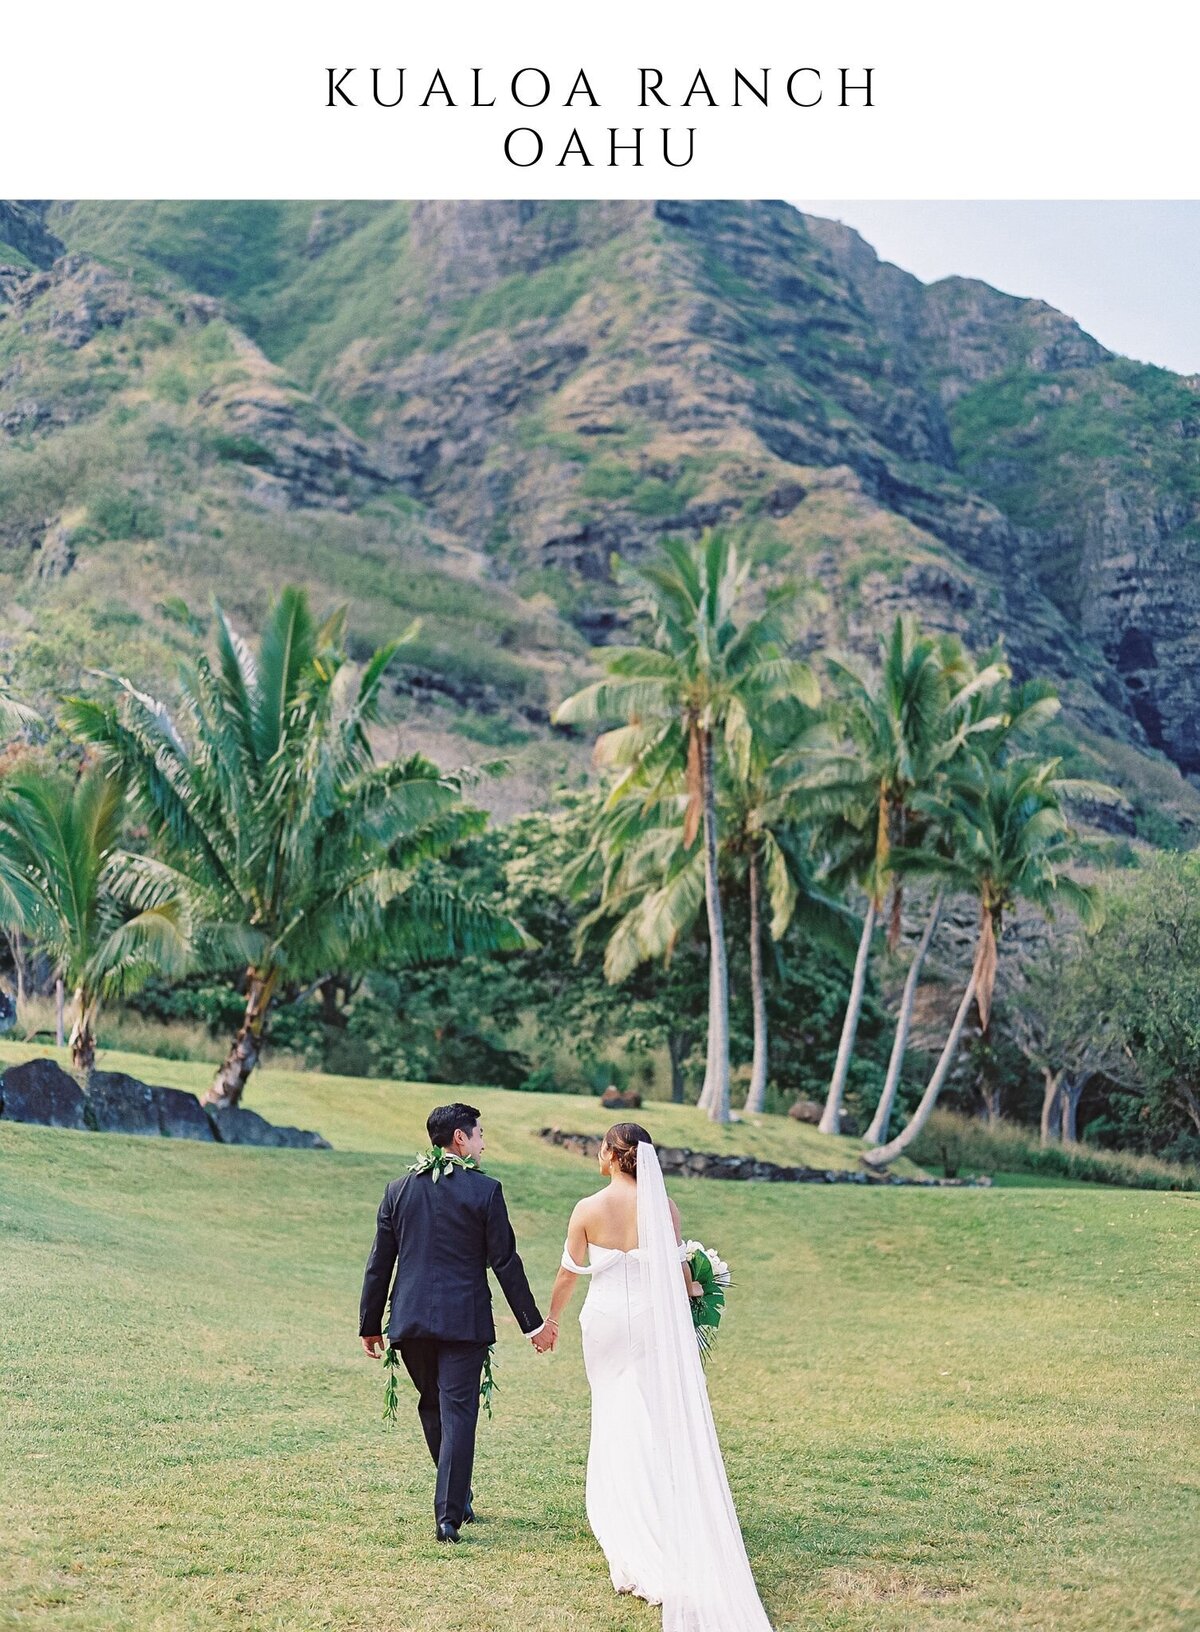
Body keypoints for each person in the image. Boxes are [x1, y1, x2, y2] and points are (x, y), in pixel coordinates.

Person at [540, 1121, 774, 1631]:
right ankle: (658, 1512)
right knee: (646, 1413)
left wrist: (550, 1320)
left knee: (612, 1412)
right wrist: (696, 1288)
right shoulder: (664, 1210)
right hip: (649, 1324)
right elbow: (680, 1277)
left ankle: (627, 1519)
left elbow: (567, 1273)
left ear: (609, 1155)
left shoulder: (587, 1208)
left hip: (604, 1325)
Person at [359, 1101, 551, 1543]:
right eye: (479, 1134)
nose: (483, 1143)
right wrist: (533, 1324)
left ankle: (455, 1501)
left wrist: (370, 1323)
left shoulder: (398, 1190)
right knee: (456, 1411)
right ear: (459, 1139)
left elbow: (378, 1265)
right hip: (464, 1322)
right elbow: (505, 1261)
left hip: (410, 1322)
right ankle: (449, 1513)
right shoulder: (485, 1191)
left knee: (433, 1405)